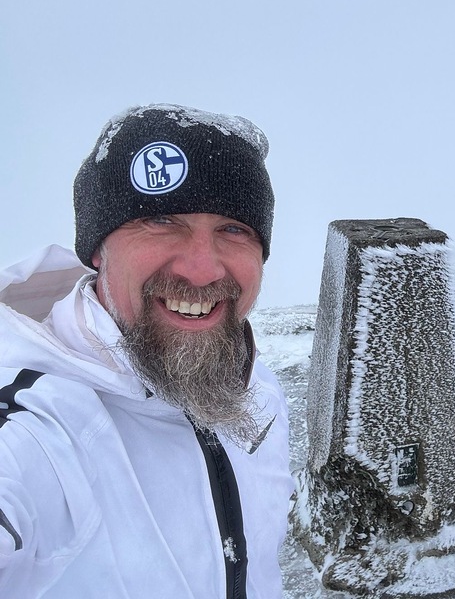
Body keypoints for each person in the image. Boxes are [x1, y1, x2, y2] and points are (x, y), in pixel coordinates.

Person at [0, 104, 294, 598]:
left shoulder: (257, 390)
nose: (202, 270)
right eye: (160, 220)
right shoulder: (37, 423)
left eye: (233, 229)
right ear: (97, 250)